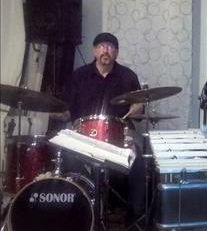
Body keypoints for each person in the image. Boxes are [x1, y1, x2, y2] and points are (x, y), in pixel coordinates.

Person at [50, 32, 145, 229]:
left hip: (120, 134)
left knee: (138, 156)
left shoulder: (128, 76)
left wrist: (137, 109)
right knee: (64, 154)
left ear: (116, 53)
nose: (106, 50)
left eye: (110, 47)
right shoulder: (78, 76)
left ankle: (135, 218)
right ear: (94, 50)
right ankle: (83, 207)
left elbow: (138, 110)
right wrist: (55, 113)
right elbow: (67, 112)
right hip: (84, 136)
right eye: (101, 46)